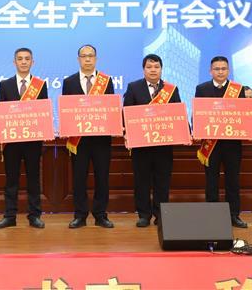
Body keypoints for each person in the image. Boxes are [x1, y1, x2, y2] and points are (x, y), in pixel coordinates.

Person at [123, 53, 181, 227]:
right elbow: (126, 113)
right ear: (144, 70)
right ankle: (144, 215)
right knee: (142, 181)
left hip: (164, 145)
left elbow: (178, 114)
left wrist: (184, 132)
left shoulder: (171, 89)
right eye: (149, 67)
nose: (153, 70)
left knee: (162, 181)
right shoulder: (134, 87)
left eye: (156, 67)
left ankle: (160, 214)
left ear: (161, 69)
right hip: (141, 145)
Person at [0, 47, 48, 229]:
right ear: (14, 62)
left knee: (34, 180)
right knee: (11, 180)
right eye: (20, 59)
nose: (23, 62)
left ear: (32, 62)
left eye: (27, 59)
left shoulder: (40, 85)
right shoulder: (5, 85)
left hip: (33, 141)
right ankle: (10, 216)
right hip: (11, 142)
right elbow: (1, 113)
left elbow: (43, 112)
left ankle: (34, 216)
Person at [62, 44, 115, 229]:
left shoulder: (106, 81)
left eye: (90, 56)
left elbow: (110, 108)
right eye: (84, 56)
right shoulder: (69, 82)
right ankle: (80, 215)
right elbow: (66, 110)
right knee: (79, 178)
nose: (87, 59)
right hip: (79, 140)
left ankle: (101, 215)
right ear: (78, 59)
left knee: (102, 178)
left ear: (96, 59)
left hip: (101, 139)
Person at [195, 56, 249, 228]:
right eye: (216, 69)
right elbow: (197, 113)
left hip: (232, 144)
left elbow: (244, 115)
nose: (220, 72)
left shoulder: (238, 90)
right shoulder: (202, 89)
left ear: (228, 70)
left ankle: (234, 215)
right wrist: (196, 129)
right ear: (210, 71)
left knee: (233, 181)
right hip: (211, 144)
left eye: (223, 69)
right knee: (211, 181)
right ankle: (212, 216)